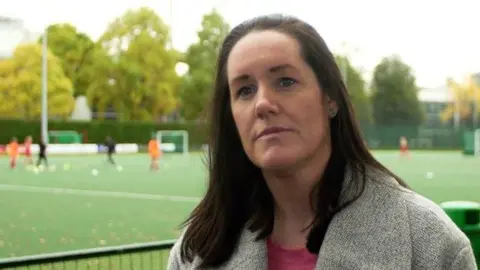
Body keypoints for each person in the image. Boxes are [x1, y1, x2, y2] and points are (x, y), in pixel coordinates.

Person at [167, 14, 477, 270]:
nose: (262, 103)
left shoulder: (428, 242)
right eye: (244, 90)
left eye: (285, 81)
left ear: (330, 99)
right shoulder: (195, 251)